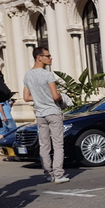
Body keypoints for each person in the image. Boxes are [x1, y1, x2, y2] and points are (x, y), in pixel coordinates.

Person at [23, 47, 70, 183]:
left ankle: (48, 174)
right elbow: (55, 96)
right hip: (52, 112)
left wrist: (39, 98)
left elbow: (26, 97)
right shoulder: (48, 75)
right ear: (39, 57)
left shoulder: (27, 75)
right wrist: (64, 97)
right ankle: (59, 175)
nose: (51, 58)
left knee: (44, 145)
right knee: (58, 144)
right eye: (48, 56)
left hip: (40, 114)